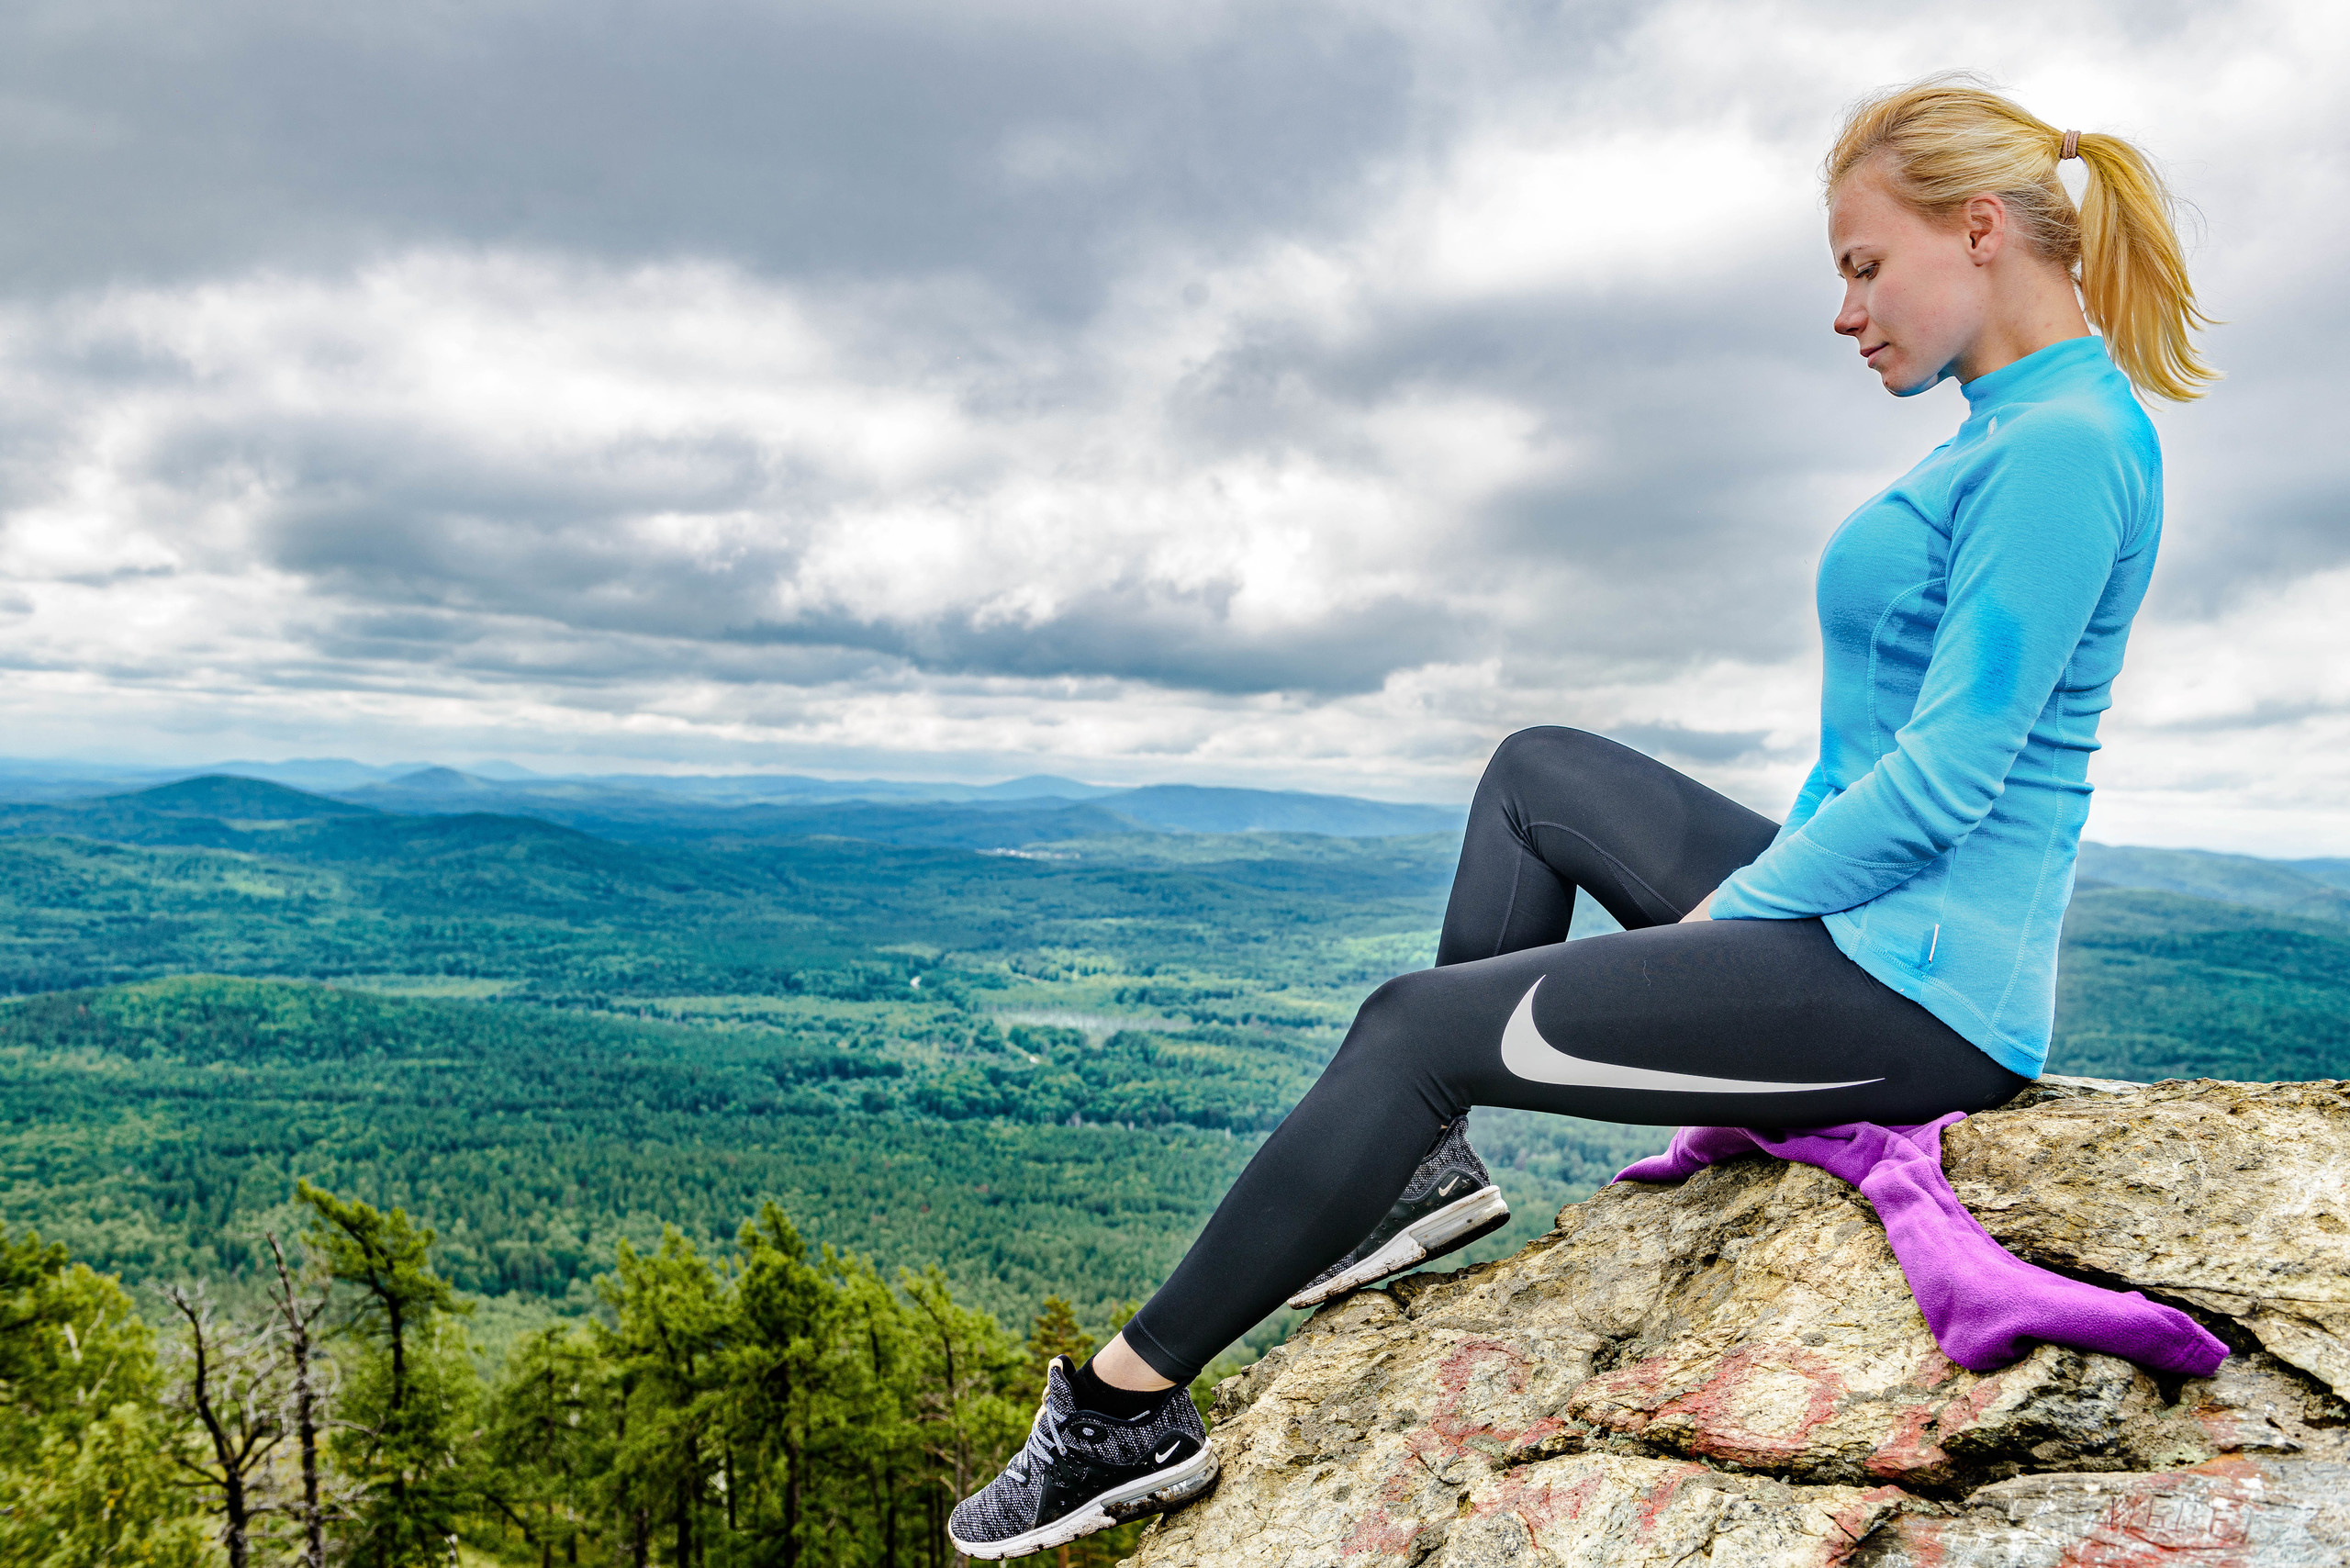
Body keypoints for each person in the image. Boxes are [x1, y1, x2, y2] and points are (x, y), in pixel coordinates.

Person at [947, 73, 2218, 1562]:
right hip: (1865, 924)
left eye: (1865, 266)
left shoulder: (2060, 449)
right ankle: (1414, 1171)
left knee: (1415, 1026)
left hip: (1919, 992)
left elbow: (1949, 783)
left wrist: (1731, 923)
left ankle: (1123, 1407)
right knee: (1536, 770)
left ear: (1981, 230)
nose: (1845, 309)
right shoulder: (2010, 427)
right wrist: (1753, 915)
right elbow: (1883, 757)